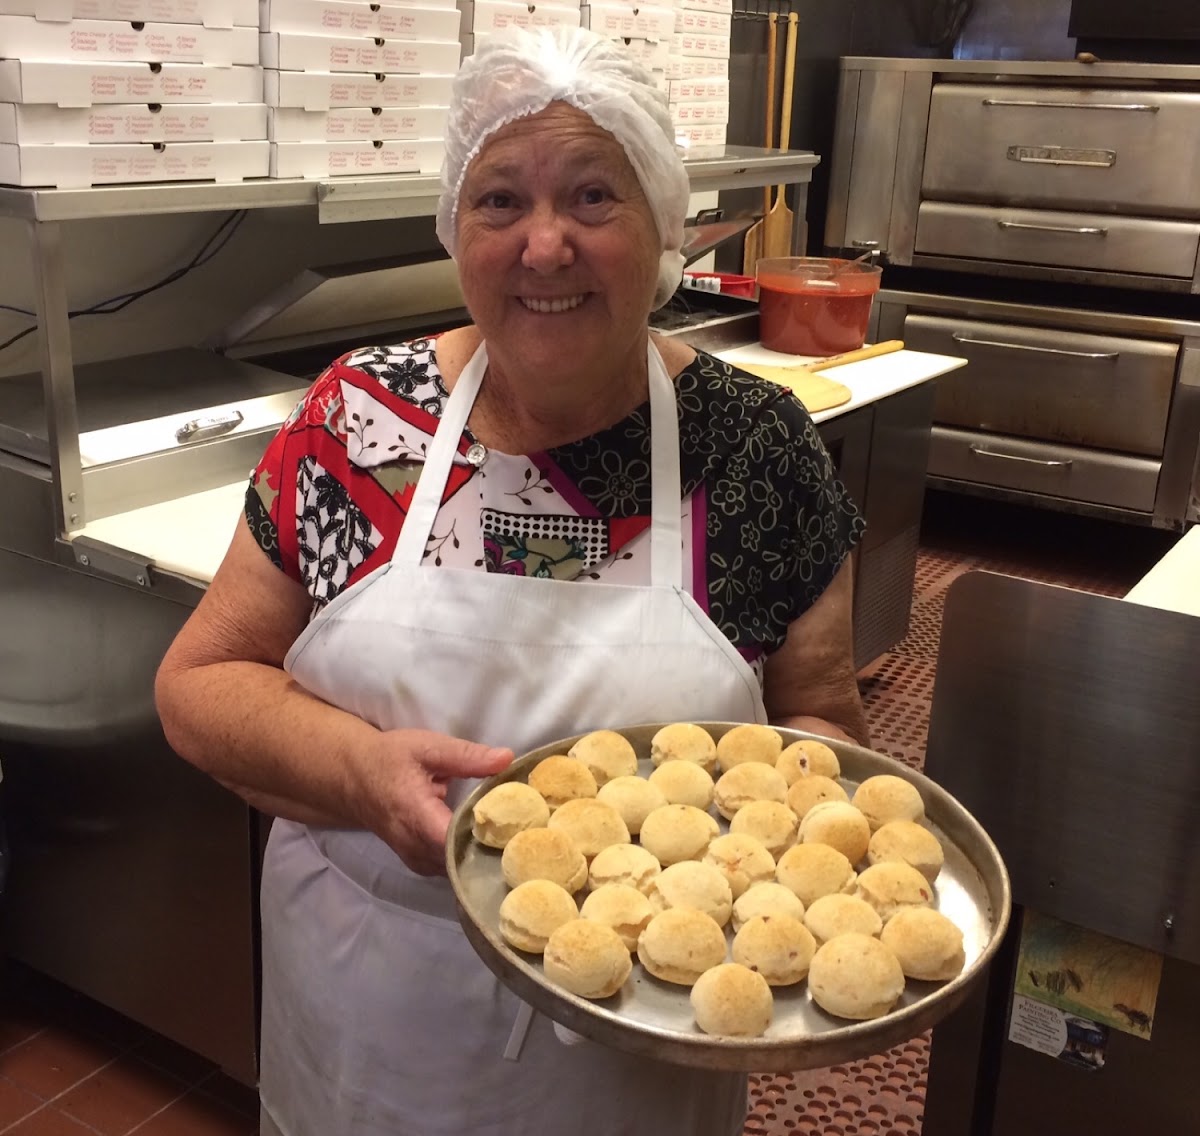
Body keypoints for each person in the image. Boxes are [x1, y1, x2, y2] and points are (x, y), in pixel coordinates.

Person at [155, 26, 869, 1136]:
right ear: (454, 226)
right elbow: (200, 683)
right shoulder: (360, 420)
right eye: (499, 201)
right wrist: (358, 770)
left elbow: (819, 718)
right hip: (370, 1027)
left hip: (644, 1052)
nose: (545, 247)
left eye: (594, 196)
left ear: (665, 225)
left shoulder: (756, 451)